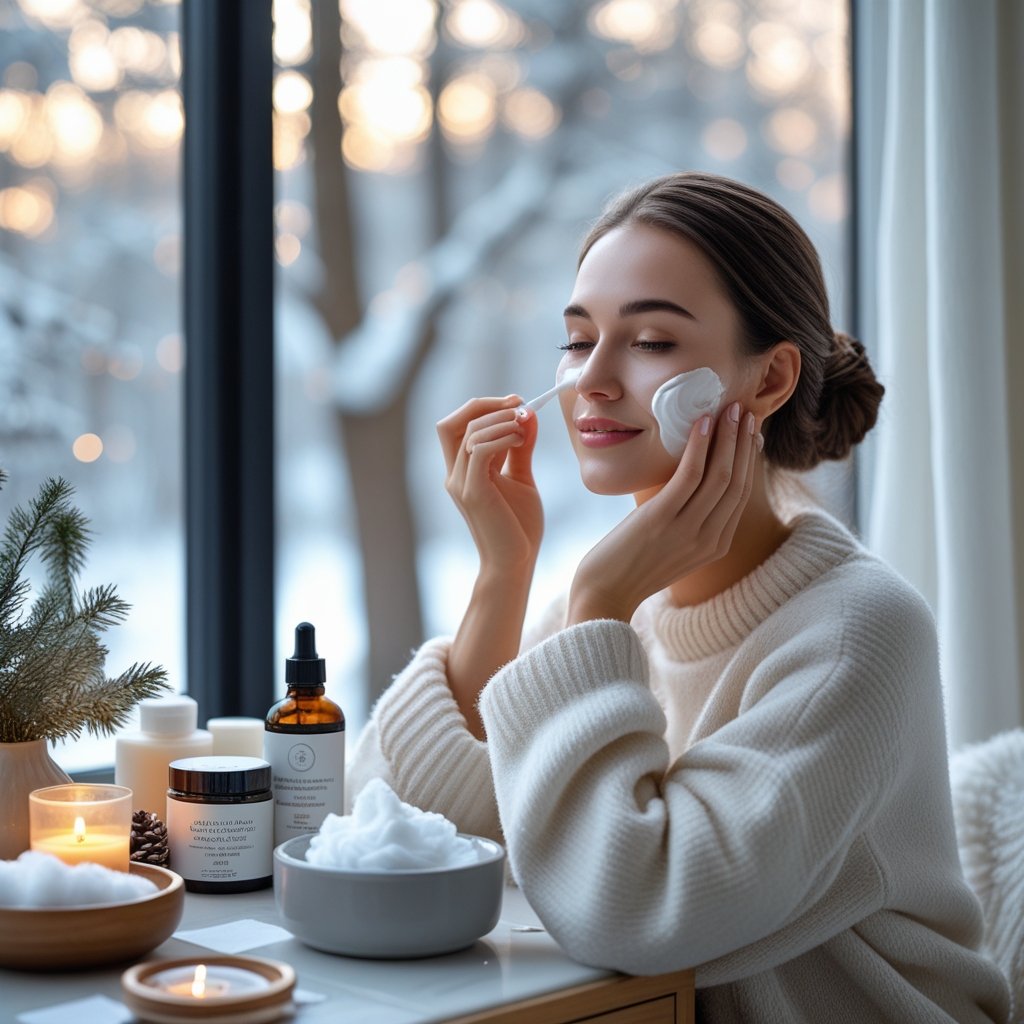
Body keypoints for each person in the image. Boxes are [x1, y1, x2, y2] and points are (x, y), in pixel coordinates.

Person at [348, 172, 1010, 1023]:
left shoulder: (857, 634)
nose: (592, 378)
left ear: (769, 381)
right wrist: (502, 580)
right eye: (578, 338)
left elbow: (633, 910)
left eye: (651, 340)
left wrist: (598, 598)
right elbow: (397, 832)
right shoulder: (614, 612)